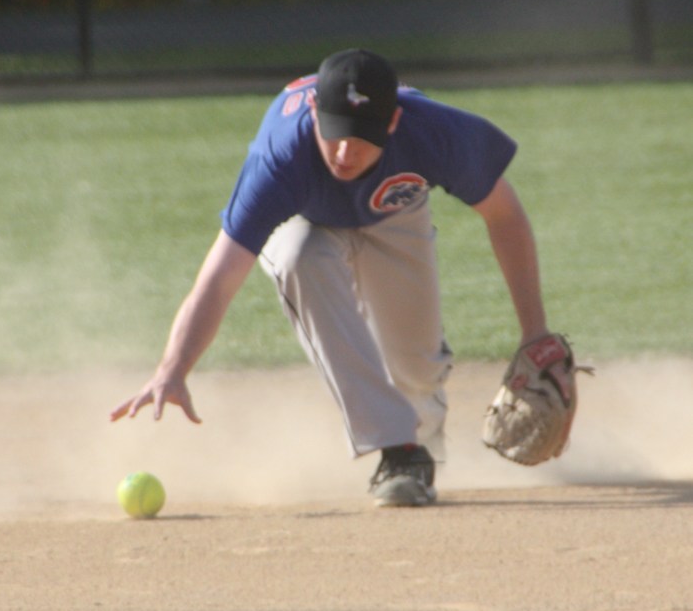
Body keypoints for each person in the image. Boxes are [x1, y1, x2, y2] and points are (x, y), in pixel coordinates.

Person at [111, 48, 554, 507]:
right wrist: (173, 367)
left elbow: (504, 215)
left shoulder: (433, 132)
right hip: (303, 218)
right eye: (335, 132)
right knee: (300, 256)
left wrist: (534, 331)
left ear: (393, 122)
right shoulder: (281, 155)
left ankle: (419, 448)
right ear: (314, 109)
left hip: (394, 214)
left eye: (362, 137)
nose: (344, 152)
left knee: (416, 367)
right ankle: (400, 453)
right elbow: (220, 277)